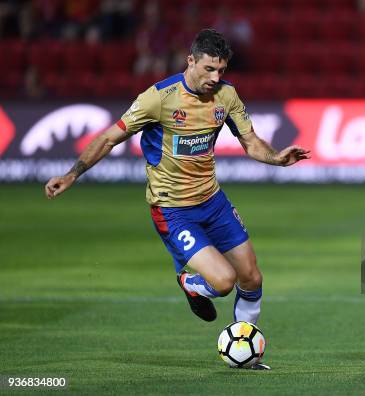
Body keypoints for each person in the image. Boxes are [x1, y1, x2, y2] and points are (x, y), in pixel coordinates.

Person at [45, 29, 310, 368]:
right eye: (208, 69)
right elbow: (110, 137)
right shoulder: (158, 98)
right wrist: (71, 174)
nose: (215, 78)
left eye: (221, 71)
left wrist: (276, 158)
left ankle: (247, 353)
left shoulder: (226, 96)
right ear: (190, 61)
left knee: (252, 277)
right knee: (225, 281)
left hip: (213, 201)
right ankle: (190, 283)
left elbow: (251, 141)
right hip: (173, 209)